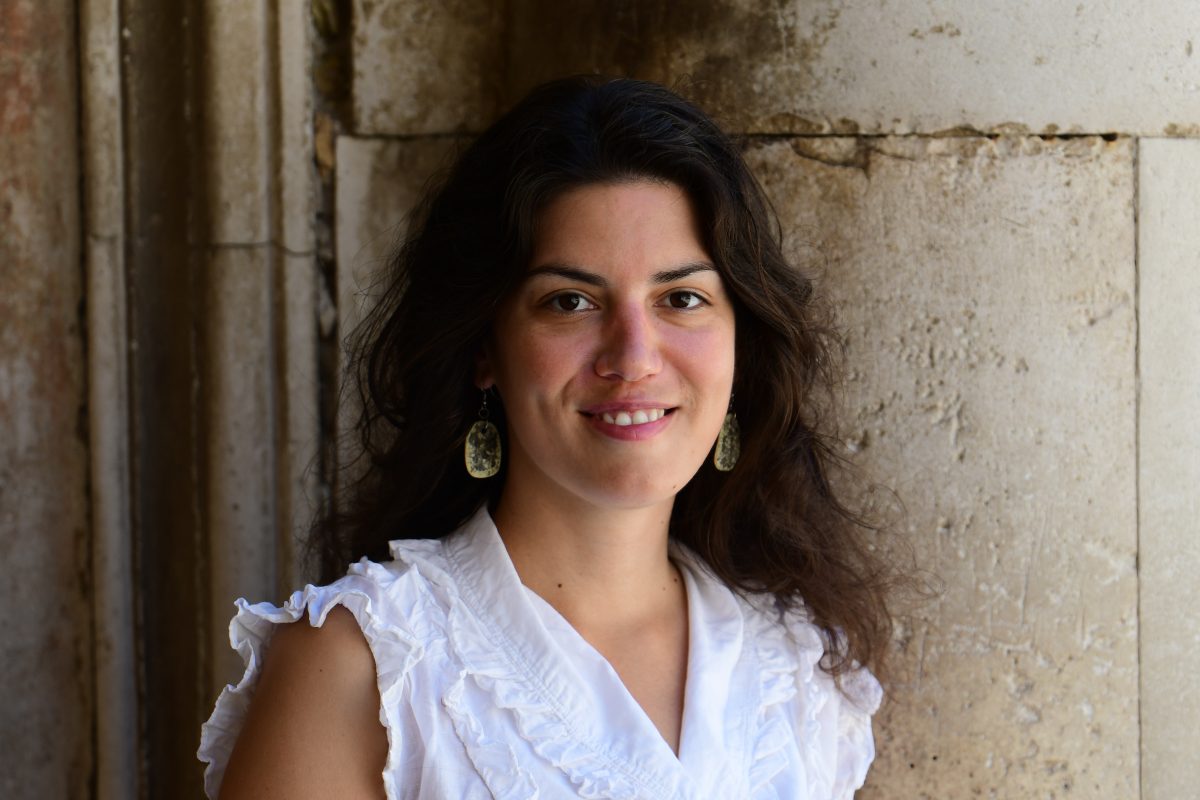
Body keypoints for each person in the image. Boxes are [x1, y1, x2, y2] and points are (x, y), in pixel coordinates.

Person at [198, 75, 899, 799]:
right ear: (484, 348)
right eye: (570, 302)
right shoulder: (367, 668)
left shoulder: (800, 670)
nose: (633, 357)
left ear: (740, 343)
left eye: (681, 298)